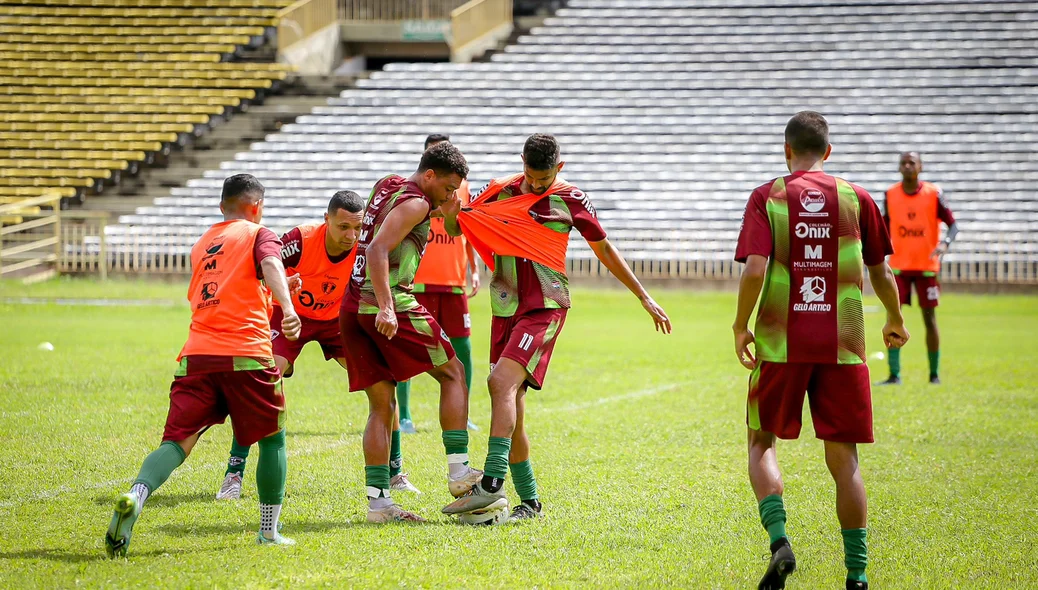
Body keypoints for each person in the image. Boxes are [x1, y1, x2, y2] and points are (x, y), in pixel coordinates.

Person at [441, 133, 672, 522]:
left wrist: (644, 296)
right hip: (505, 307)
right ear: (522, 163)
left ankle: (492, 483)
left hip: (546, 307)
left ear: (558, 169)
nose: (534, 186)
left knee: (499, 384)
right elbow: (456, 227)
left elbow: (604, 249)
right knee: (511, 405)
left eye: (543, 181)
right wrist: (451, 207)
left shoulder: (571, 199)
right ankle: (529, 502)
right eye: (530, 178)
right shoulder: (498, 190)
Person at [731, 111, 910, 590]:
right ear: (828, 152)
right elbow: (882, 272)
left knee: (761, 441)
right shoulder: (857, 197)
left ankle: (779, 541)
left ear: (786, 150)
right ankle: (857, 574)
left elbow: (753, 271)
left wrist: (740, 325)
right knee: (844, 459)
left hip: (780, 340)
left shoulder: (767, 196)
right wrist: (894, 318)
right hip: (845, 343)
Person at [104, 174, 301, 557]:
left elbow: (236, 285)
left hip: (196, 355)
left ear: (221, 205)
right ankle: (268, 531)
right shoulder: (258, 233)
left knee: (177, 441)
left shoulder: (203, 243)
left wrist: (275, 290)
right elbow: (272, 262)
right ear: (256, 206)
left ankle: (136, 494)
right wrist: (289, 308)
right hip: (247, 354)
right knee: (272, 439)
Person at [214, 191, 423, 500]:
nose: (351, 236)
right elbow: (256, 271)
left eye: (357, 227)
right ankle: (234, 472)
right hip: (290, 318)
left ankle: (394, 473)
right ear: (327, 220)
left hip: (338, 324)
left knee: (383, 388)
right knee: (261, 383)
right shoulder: (301, 239)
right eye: (343, 227)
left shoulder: (366, 248)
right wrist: (284, 286)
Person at [339, 141, 483, 523]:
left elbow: (378, 234)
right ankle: (459, 473)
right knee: (453, 373)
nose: (452, 194)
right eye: (449, 187)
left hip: (351, 308)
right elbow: (378, 251)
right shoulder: (417, 202)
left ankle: (379, 506)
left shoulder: (389, 184)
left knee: (382, 406)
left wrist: (447, 208)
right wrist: (387, 304)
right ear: (431, 175)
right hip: (389, 305)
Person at [397, 133, 481, 435]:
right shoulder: (415, 192)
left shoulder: (461, 187)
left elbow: (466, 227)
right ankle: (404, 415)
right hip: (417, 281)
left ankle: (464, 411)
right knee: (408, 350)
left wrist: (473, 269)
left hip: (453, 281)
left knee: (463, 350)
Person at [877, 152, 958, 385]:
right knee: (893, 317)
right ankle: (894, 374)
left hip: (926, 267)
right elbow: (883, 227)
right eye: (903, 162)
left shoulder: (933, 194)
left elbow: (953, 225)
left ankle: (934, 375)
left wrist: (945, 243)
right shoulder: (890, 195)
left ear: (920, 167)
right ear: (899, 167)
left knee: (930, 320)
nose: (907, 166)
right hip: (899, 267)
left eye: (912, 162)